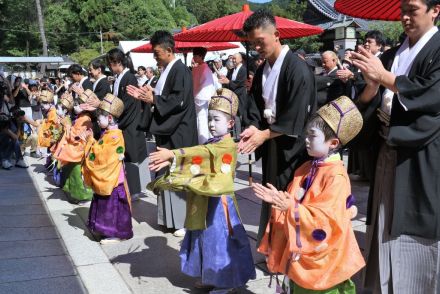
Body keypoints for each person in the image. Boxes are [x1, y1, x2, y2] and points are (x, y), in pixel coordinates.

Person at [349, 0, 440, 292]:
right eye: (402, 10)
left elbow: (432, 95)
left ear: (435, 9)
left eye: (412, 9)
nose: (404, 17)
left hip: (422, 154)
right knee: (383, 222)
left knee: (417, 228)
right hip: (387, 147)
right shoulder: (390, 55)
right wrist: (371, 87)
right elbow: (373, 94)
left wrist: (384, 77)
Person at [253, 96, 365, 293]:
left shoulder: (336, 176)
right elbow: (298, 200)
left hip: (323, 260)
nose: (306, 139)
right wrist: (281, 199)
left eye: (312, 136)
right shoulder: (307, 167)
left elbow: (327, 221)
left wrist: (290, 207)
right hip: (301, 251)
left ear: (333, 142)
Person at [148, 88, 256, 292]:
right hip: (206, 199)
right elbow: (202, 155)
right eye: (210, 119)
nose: (212, 124)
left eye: (217, 119)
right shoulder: (212, 142)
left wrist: (174, 154)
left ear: (231, 124)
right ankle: (210, 274)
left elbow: (204, 153)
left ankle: (225, 281)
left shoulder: (226, 146)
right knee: (204, 238)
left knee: (220, 242)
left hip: (219, 204)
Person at [239, 9, 317, 246]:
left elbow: (296, 113)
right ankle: (273, 244)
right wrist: (254, 127)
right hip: (273, 140)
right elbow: (254, 104)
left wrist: (264, 133)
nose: (257, 48)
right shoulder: (263, 69)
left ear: (277, 34)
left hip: (293, 147)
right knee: (270, 192)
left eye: (260, 42)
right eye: (253, 44)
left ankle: (289, 247)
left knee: (289, 195)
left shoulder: (298, 69)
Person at [127, 30, 198, 237]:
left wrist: (155, 100)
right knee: (165, 173)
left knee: (178, 172)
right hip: (167, 129)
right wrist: (148, 97)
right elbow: (163, 98)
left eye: (157, 52)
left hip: (179, 130)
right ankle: (169, 218)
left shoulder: (181, 71)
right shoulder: (166, 70)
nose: (154, 56)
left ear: (169, 50)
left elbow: (179, 101)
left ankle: (183, 220)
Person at [82, 94, 133, 245]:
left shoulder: (116, 136)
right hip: (108, 176)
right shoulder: (108, 134)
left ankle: (116, 233)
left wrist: (91, 142)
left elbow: (104, 156)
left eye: (100, 118)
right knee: (104, 203)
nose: (98, 121)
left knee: (113, 206)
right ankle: (102, 228)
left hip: (113, 179)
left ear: (110, 118)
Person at [105, 48, 149, 201]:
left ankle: (135, 189)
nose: (111, 67)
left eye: (112, 63)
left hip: (130, 122)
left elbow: (129, 103)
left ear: (119, 62)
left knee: (132, 155)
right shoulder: (119, 77)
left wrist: (119, 121)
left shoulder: (129, 77)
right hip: (124, 120)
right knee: (126, 154)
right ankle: (131, 186)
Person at [53, 92, 93, 204]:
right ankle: (75, 195)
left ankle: (85, 197)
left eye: (78, 104)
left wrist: (67, 126)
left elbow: (76, 136)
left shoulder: (85, 119)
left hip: (78, 151)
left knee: (77, 176)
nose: (75, 107)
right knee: (72, 174)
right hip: (74, 150)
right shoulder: (81, 117)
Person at [192, 47, 216, 144]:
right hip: (197, 96)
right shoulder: (197, 68)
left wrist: (197, 93)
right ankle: (201, 140)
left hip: (203, 98)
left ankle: (204, 141)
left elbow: (208, 85)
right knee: (200, 120)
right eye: (193, 56)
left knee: (203, 119)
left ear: (201, 56)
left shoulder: (205, 69)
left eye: (195, 56)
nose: (194, 58)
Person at [219, 52, 248, 132]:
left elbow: (240, 84)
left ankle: (239, 135)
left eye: (235, 58)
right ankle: (235, 135)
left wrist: (228, 82)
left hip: (240, 96)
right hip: (232, 96)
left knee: (239, 116)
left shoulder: (243, 70)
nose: (233, 60)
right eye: (232, 58)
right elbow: (228, 81)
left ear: (241, 59)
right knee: (233, 116)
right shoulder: (232, 70)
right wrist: (224, 80)